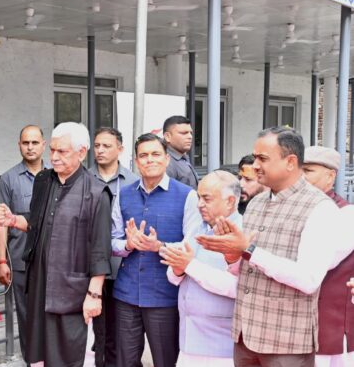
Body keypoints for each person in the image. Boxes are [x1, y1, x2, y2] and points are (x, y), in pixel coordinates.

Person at [196, 127, 344, 366]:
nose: (254, 165)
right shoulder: (256, 203)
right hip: (245, 337)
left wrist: (250, 250)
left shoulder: (320, 208)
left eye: (263, 158)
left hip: (285, 342)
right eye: (255, 157)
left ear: (290, 162)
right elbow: (244, 269)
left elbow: (308, 279)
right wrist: (232, 255)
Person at [0, 122, 112, 366]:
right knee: (39, 354)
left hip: (73, 290)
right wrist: (13, 219)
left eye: (62, 152)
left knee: (71, 354)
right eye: (53, 151)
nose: (54, 158)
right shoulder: (44, 180)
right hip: (40, 285)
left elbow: (101, 250)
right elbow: (36, 223)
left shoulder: (96, 192)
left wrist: (94, 294)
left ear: (81, 152)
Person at [111, 133, 202, 367]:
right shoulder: (124, 194)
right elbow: (112, 241)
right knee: (125, 361)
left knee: (166, 360)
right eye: (143, 155)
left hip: (166, 295)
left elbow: (192, 247)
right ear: (135, 160)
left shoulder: (187, 196)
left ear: (166, 159)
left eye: (155, 154)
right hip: (126, 294)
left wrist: (158, 246)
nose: (149, 160)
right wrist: (128, 245)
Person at [161, 170, 242, 366]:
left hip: (222, 344)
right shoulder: (197, 228)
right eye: (199, 198)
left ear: (230, 202)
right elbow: (173, 274)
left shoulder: (242, 232)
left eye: (206, 199)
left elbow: (238, 287)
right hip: (188, 338)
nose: (199, 204)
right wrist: (179, 269)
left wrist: (190, 265)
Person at [0, 124, 50, 364]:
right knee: (27, 317)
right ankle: (32, 361)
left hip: (50, 260)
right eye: (26, 143)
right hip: (19, 261)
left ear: (43, 145)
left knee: (51, 314)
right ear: (19, 145)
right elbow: (1, 223)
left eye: (35, 142)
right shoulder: (8, 180)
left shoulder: (54, 177)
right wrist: (2, 261)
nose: (30, 147)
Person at [89, 127, 138, 367]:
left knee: (124, 332)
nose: (100, 150)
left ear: (120, 149)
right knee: (100, 332)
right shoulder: (84, 180)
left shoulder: (134, 182)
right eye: (97, 145)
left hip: (125, 267)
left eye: (106, 146)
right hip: (94, 267)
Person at [302, 146, 354, 367]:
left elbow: (317, 264)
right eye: (298, 171)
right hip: (294, 325)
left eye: (308, 171)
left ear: (330, 175)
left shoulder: (346, 213)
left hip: (328, 322)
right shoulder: (295, 207)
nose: (301, 178)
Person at [163, 116, 199, 189]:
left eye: (190, 133)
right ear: (167, 136)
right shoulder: (166, 162)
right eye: (184, 133)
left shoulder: (183, 158)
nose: (190, 136)